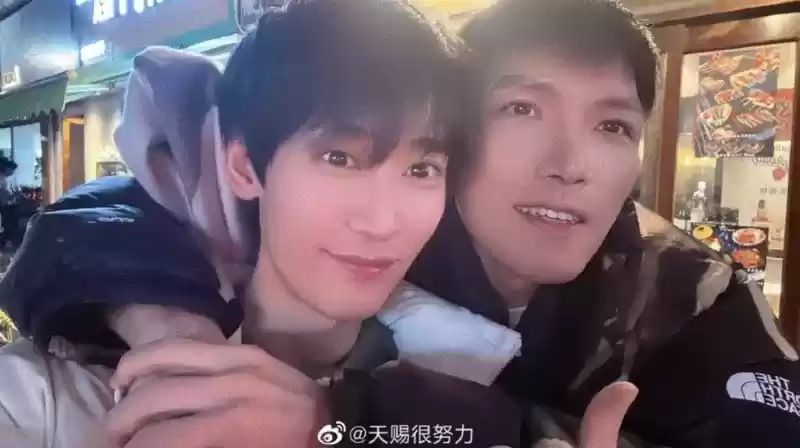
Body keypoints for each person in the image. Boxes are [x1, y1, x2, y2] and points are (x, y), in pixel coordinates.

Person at [7, 0, 798, 446]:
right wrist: (166, 332)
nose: (571, 164)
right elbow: (96, 219)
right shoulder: (393, 255)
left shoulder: (688, 292)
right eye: (522, 109)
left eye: (613, 127)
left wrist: (341, 424)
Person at [0, 2, 534, 447]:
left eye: (421, 170)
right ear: (244, 169)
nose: (382, 221)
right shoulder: (52, 396)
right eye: (339, 158)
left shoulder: (473, 382)